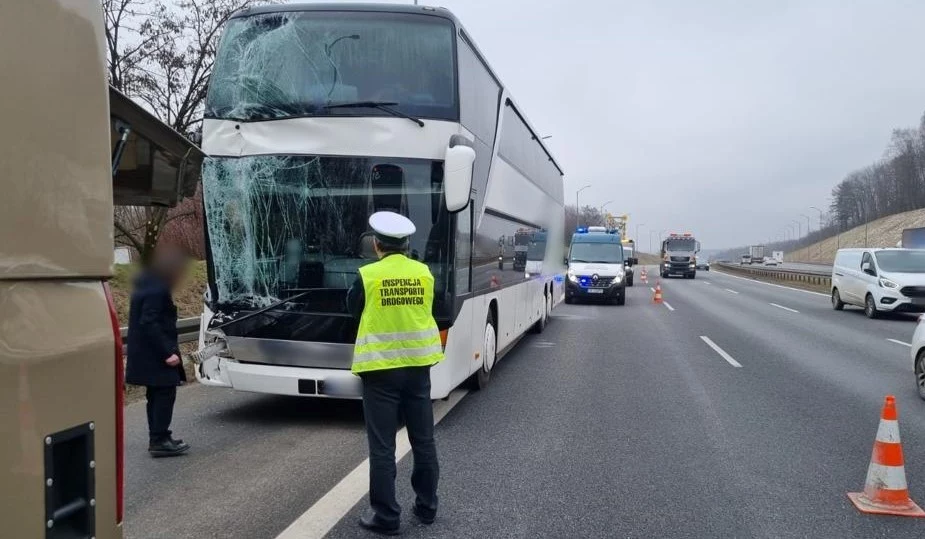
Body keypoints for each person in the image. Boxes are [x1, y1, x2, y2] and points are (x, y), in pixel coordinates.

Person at [347, 211, 444, 535]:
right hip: (418, 367)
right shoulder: (425, 273)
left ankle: (386, 517)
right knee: (423, 440)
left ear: (376, 244)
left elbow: (353, 309)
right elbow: (431, 309)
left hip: (381, 370)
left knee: (383, 446)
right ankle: (427, 507)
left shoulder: (368, 275)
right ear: (405, 245)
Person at [125, 247, 191, 458]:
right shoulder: (157, 287)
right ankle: (160, 439)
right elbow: (149, 321)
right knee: (164, 393)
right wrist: (167, 353)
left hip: (146, 352)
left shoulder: (146, 283)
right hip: (155, 353)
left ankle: (159, 437)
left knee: (155, 394)